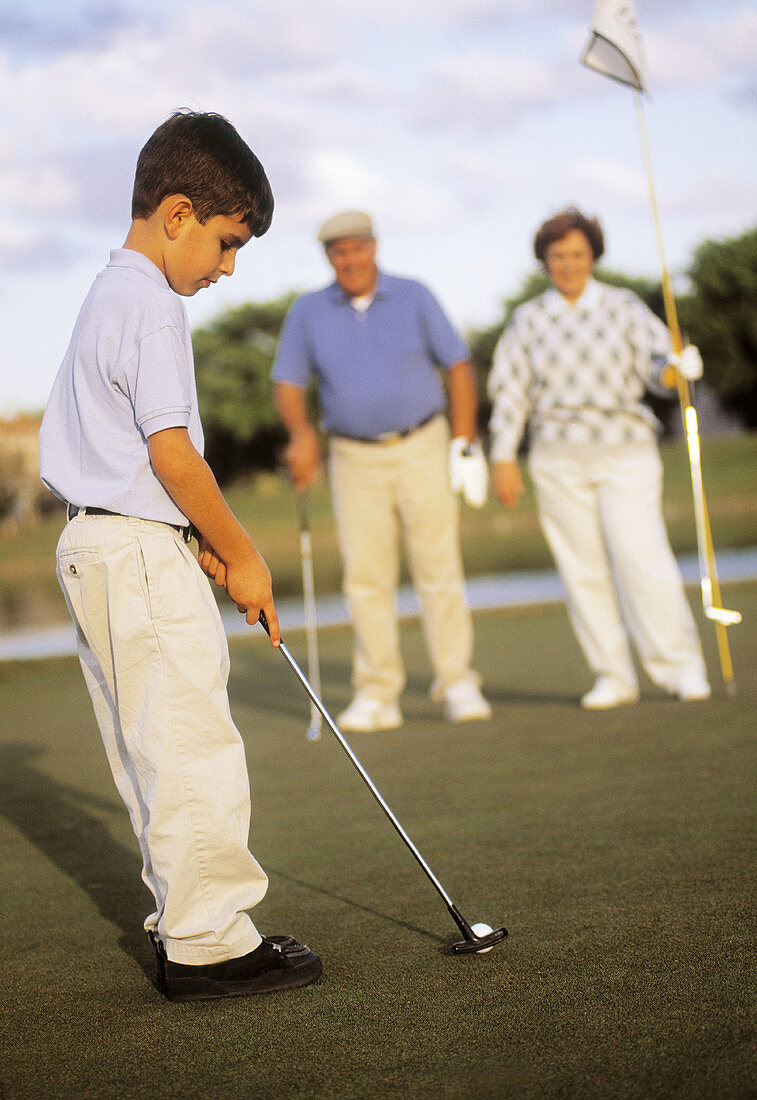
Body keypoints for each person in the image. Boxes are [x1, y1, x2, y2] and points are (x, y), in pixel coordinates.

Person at [39, 110, 322, 1002]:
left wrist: (191, 534)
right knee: (190, 744)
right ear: (177, 213)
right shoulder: (154, 306)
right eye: (227, 243)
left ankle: (185, 922)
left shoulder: (106, 292)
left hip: (93, 543)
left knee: (146, 750)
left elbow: (138, 457)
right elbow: (171, 454)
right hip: (131, 548)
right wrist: (243, 555)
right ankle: (210, 944)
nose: (228, 269)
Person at [272, 209, 491, 732]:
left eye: (356, 248)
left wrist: (465, 440)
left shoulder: (414, 295)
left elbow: (457, 365)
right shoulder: (308, 311)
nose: (349, 260)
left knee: (437, 566)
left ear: (374, 247)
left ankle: (456, 681)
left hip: (423, 443)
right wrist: (301, 434)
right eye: (337, 252)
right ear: (328, 257)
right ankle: (377, 692)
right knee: (366, 576)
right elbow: (288, 384)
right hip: (352, 456)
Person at [488, 207, 710, 709]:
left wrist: (677, 368)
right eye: (558, 255)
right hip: (556, 457)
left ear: (593, 257)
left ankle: (680, 667)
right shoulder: (528, 319)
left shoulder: (624, 306)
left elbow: (659, 367)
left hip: (625, 451)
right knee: (582, 569)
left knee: (640, 559)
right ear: (544, 260)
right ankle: (613, 675)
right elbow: (510, 393)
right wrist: (503, 456)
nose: (568, 264)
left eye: (578, 254)